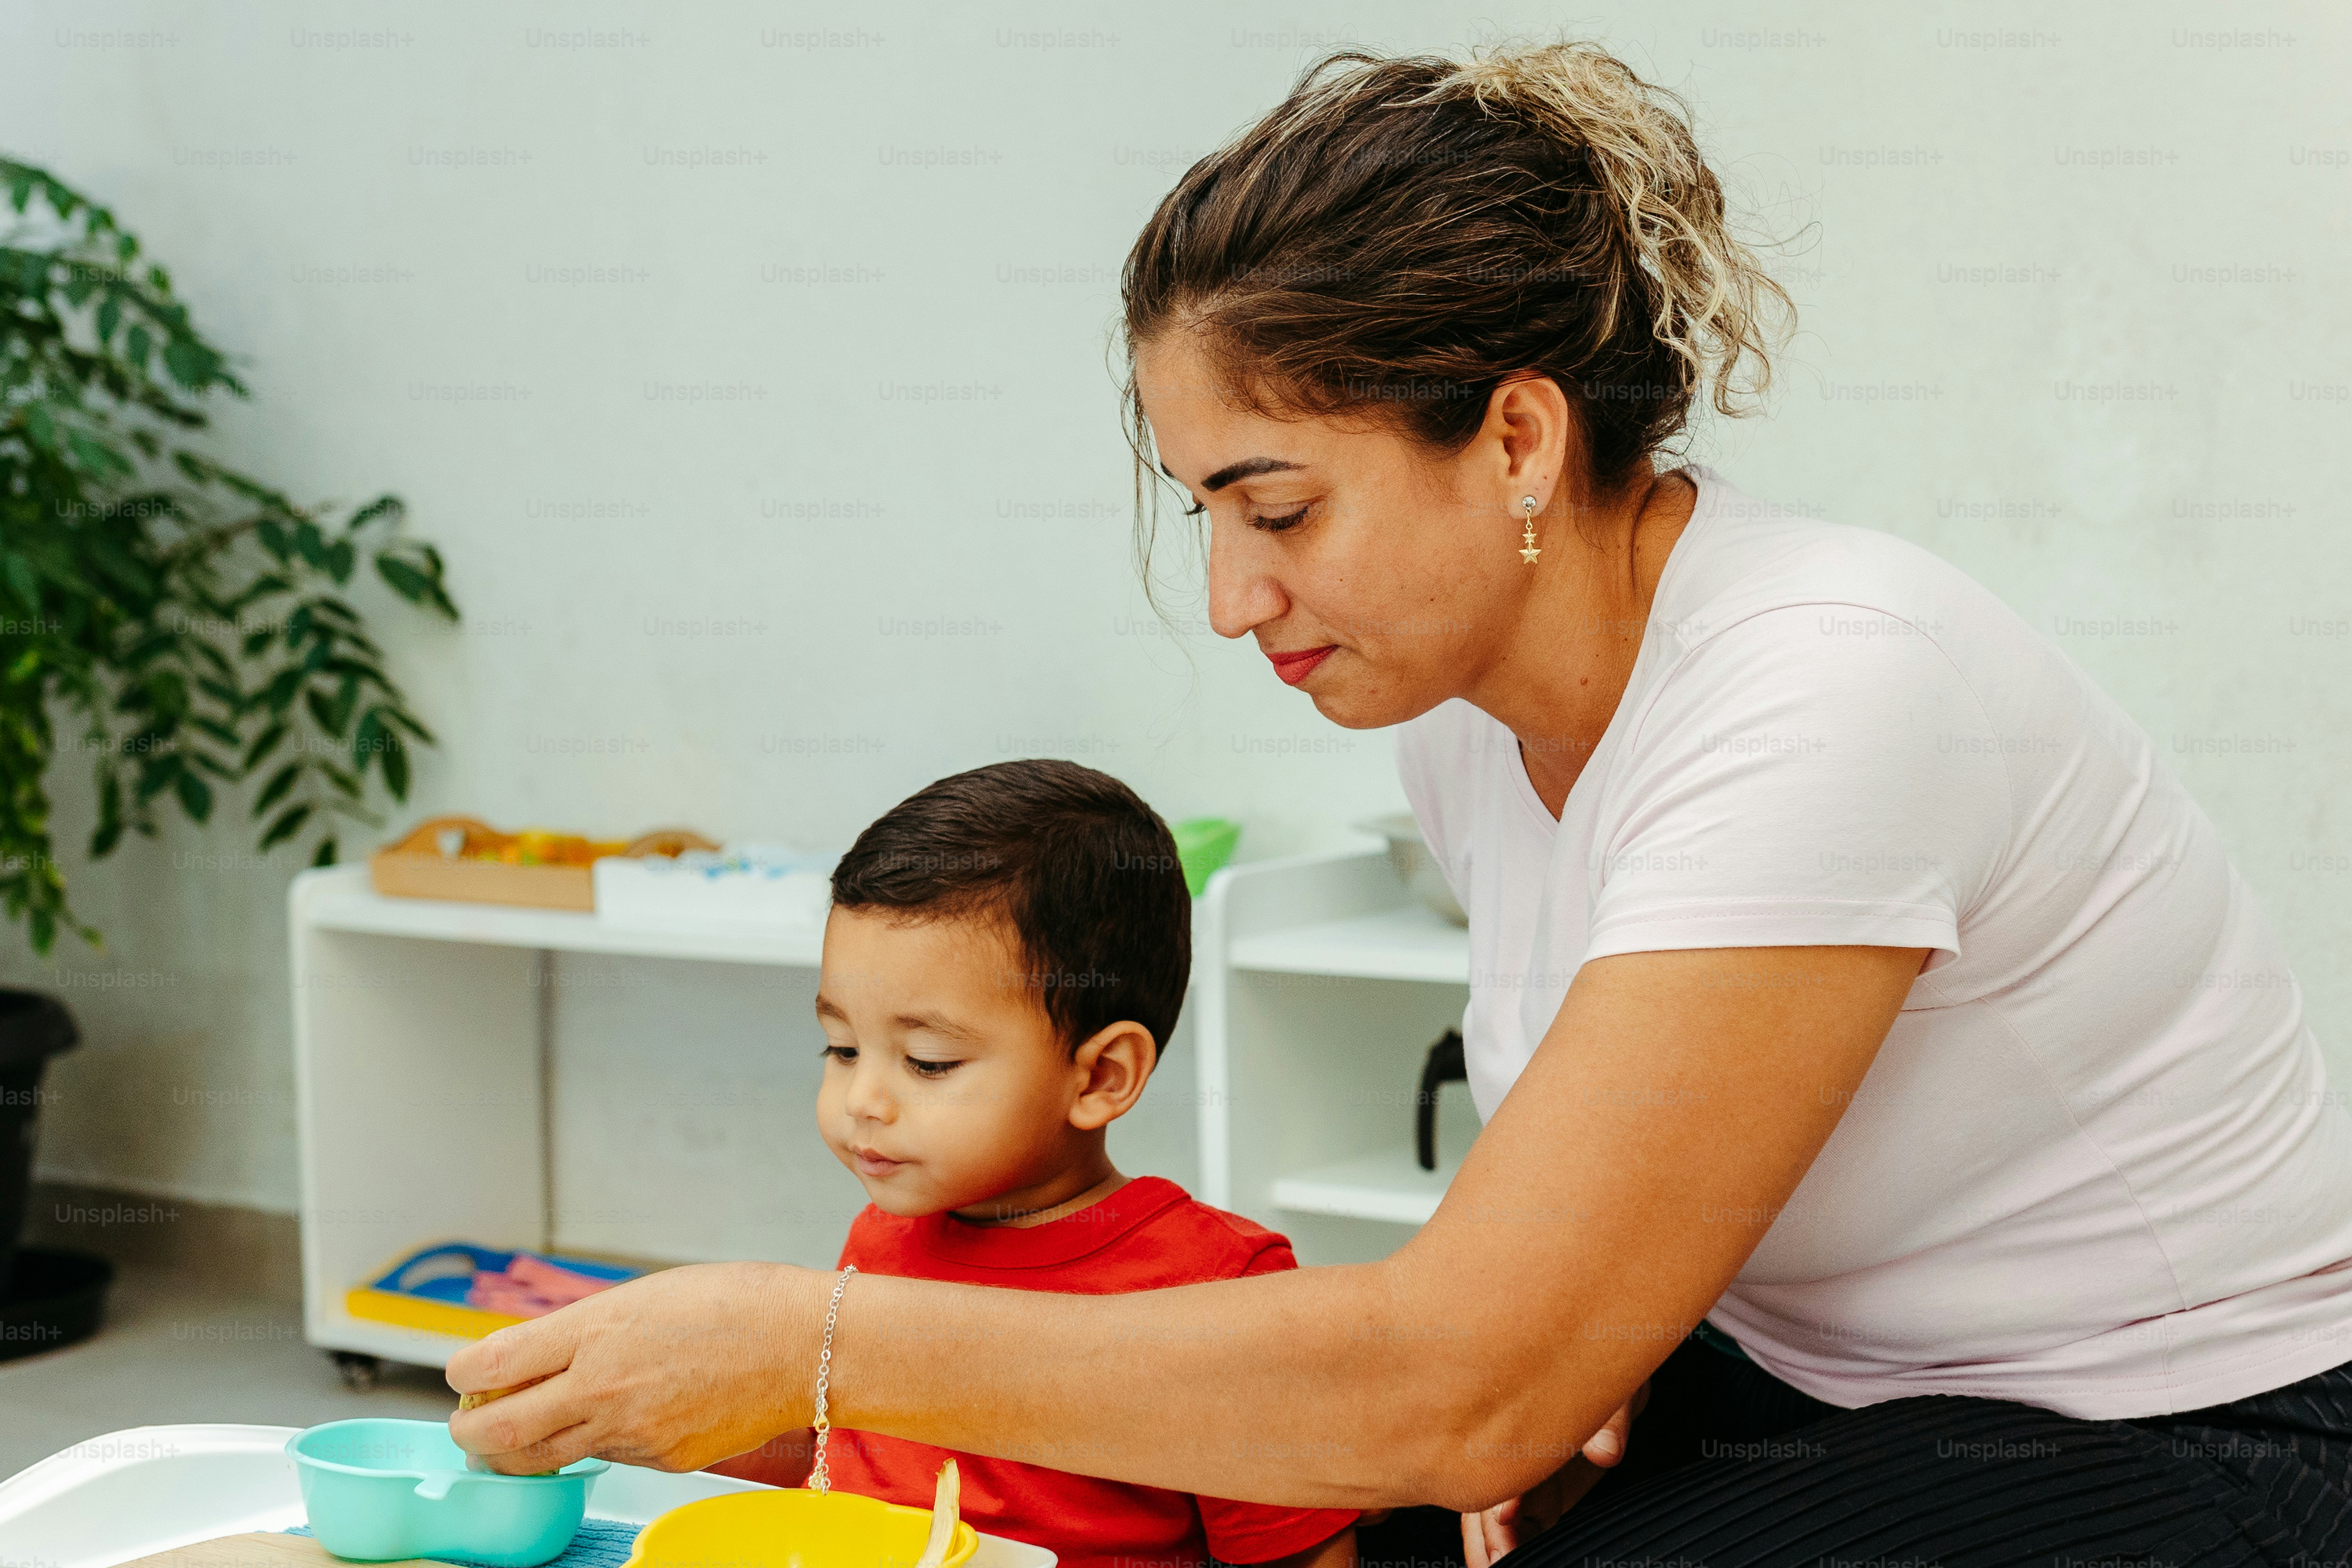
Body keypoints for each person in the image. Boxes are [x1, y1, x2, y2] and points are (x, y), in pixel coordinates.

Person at [452, 38, 2352, 1562]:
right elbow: (1563, 1220)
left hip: (2173, 1428)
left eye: (1277, 509)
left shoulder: (1829, 689)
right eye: (1205, 513)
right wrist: (1553, 1342)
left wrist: (808, 1337)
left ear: (1514, 436)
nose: (1228, 596)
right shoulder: (1458, 717)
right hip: (1809, 1363)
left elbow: (1458, 1376)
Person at [705, 759, 1360, 1568]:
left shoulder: (1223, 1287)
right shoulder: (880, 1241)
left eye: (929, 1061)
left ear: (1100, 1077)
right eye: (841, 1047)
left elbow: (1303, 1557)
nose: (862, 1099)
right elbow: (840, 1472)